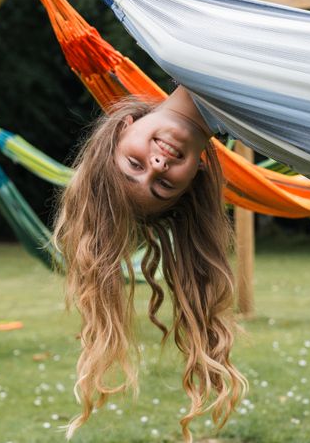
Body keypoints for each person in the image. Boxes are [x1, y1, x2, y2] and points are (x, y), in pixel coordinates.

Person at [53, 86, 247, 441]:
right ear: (195, 173)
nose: (156, 166)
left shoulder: (178, 48)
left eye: (134, 164)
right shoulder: (252, 124)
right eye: (162, 187)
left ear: (125, 126)